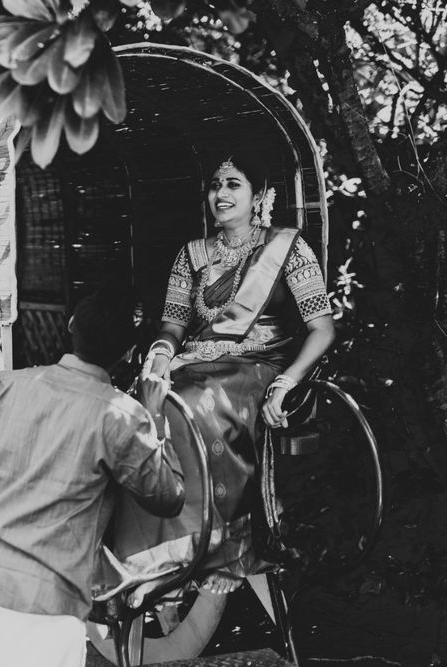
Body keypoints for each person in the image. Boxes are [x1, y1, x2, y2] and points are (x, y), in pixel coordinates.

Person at [115, 150, 336, 596]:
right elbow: (173, 324)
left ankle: (219, 549)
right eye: (216, 185)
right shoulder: (193, 254)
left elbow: (322, 330)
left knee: (192, 405)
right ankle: (150, 554)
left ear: (260, 196)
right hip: (193, 362)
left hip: (257, 366)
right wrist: (159, 354)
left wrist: (286, 382)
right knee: (139, 404)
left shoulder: (287, 248)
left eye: (234, 184)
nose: (221, 193)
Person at [0, 291, 186, 667]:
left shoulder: (4, 386)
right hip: (51, 604)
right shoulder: (122, 417)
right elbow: (169, 496)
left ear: (70, 327)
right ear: (130, 354)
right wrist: (155, 417)